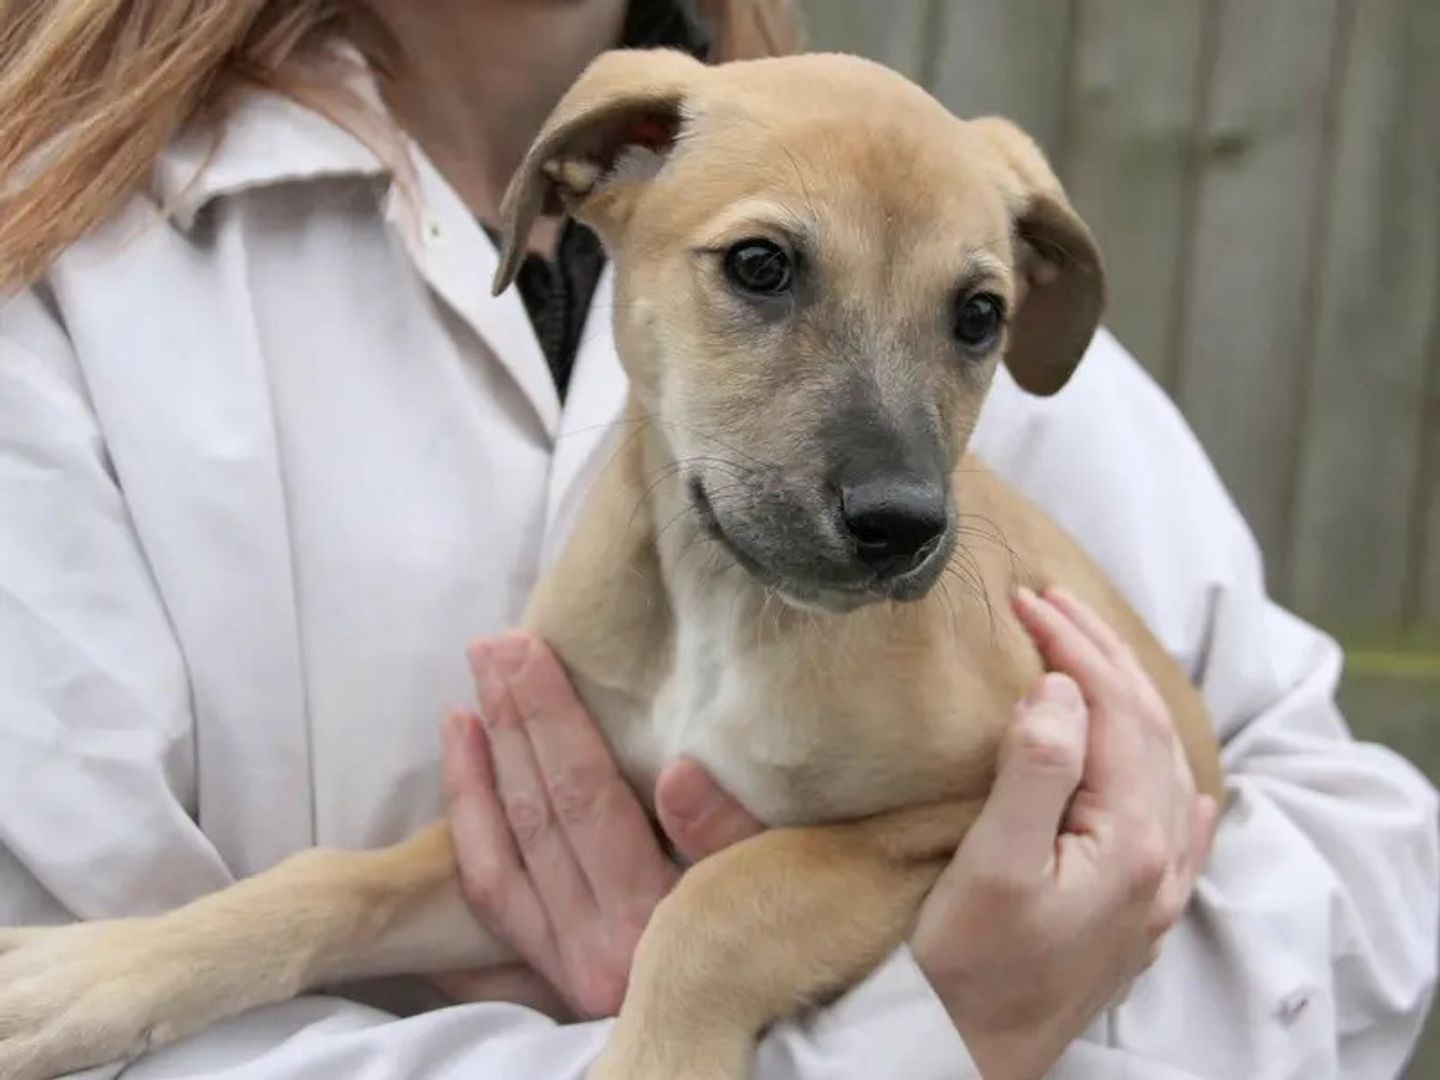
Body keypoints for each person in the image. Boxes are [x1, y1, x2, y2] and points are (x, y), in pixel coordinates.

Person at [0, 1, 1433, 1077]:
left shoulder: (927, 202)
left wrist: (1016, 1002)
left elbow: (1355, 857)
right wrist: (915, 1041)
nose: (901, 487)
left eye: (977, 324)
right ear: (589, 181)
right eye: (761, 271)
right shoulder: (61, 267)